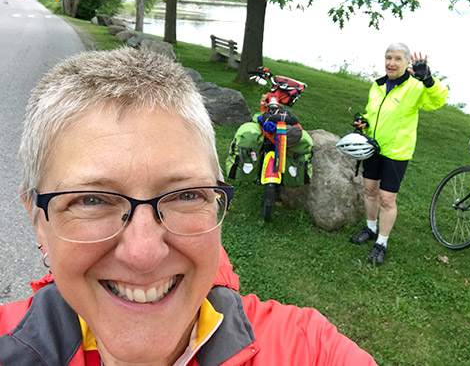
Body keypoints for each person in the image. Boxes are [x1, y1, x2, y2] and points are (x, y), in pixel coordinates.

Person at [0, 48, 376, 364]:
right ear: (38, 218)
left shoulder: (306, 349)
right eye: (92, 199)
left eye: (185, 195)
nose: (144, 253)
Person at [348, 43, 448, 265]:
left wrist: (429, 80)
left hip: (397, 152)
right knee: (370, 190)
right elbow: (373, 113)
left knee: (387, 198)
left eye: (397, 59)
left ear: (407, 62)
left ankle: (381, 242)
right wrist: (364, 123)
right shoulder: (377, 85)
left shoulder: (415, 86)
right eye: (388, 57)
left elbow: (438, 100)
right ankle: (370, 228)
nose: (391, 63)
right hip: (374, 148)